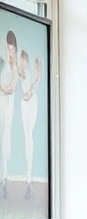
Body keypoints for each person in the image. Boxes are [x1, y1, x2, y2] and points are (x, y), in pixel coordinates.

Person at [19, 52, 40, 198]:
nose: (23, 64)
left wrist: (30, 91)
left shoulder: (30, 76)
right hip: (24, 102)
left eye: (25, 60)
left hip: (30, 102)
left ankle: (29, 174)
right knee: (26, 135)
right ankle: (28, 176)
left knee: (29, 135)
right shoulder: (21, 75)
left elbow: (33, 85)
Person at [0, 30, 17, 198]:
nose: (10, 51)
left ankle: (5, 174)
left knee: (6, 136)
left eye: (12, 49)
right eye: (8, 48)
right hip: (2, 102)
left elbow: (12, 84)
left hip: (8, 103)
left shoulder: (15, 66)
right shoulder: (2, 62)